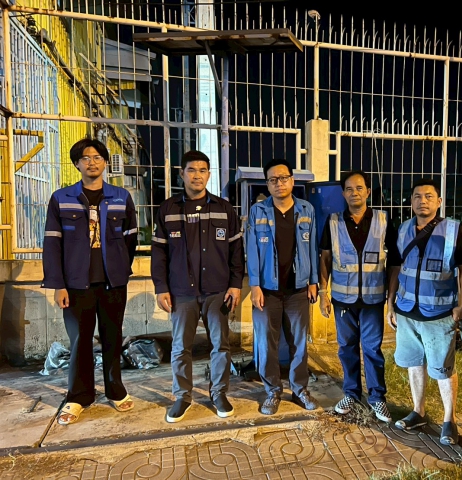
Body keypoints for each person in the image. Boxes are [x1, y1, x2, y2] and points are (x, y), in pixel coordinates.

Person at [42, 138, 138, 425]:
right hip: (75, 285)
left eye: (97, 157)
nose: (92, 162)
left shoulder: (121, 197)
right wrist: (58, 284)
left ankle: (115, 390)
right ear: (77, 164)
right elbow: (52, 245)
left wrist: (120, 267)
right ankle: (78, 396)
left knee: (113, 337)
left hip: (113, 284)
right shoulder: (61, 198)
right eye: (85, 158)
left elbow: (130, 239)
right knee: (80, 341)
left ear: (105, 162)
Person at [151, 150, 244, 423]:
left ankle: (219, 393)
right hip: (182, 292)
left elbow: (236, 252)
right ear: (182, 174)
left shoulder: (224, 209)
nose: (197, 175)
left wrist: (235, 285)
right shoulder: (168, 209)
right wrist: (161, 287)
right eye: (191, 170)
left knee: (221, 345)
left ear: (209, 175)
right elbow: (159, 253)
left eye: (203, 170)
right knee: (181, 347)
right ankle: (182, 396)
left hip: (218, 291)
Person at [387, 179, 462, 445]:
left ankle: (450, 420)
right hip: (407, 311)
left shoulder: (452, 230)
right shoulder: (403, 229)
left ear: (439, 201)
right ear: (411, 201)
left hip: (439, 313)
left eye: (428, 196)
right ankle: (419, 412)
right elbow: (395, 269)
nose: (422, 201)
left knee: (443, 368)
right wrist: (390, 304)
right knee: (414, 363)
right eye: (417, 196)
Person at [318, 170, 401, 422]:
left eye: (359, 188)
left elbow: (394, 263)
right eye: (349, 189)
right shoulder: (333, 222)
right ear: (343, 193)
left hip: (373, 300)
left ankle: (377, 398)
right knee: (346, 348)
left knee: (373, 349)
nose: (354, 193)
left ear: (368, 192)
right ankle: (351, 394)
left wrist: (391, 300)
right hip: (343, 300)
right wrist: (323, 292)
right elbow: (325, 258)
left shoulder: (383, 220)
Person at [246, 159, 319, 415]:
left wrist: (314, 281)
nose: (279, 183)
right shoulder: (258, 211)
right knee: (267, 344)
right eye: (273, 180)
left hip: (298, 289)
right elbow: (251, 250)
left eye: (284, 178)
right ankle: (273, 391)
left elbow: (312, 247)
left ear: (292, 180)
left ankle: (299, 389)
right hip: (267, 291)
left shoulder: (306, 209)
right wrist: (254, 285)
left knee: (299, 343)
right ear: (267, 184)